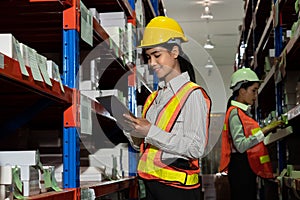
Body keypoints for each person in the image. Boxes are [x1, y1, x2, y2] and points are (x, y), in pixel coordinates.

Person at [122, 16, 211, 200]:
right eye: (148, 57)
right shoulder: (154, 98)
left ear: (175, 52)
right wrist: (134, 131)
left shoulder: (192, 94)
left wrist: (150, 131)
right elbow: (144, 144)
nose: (151, 63)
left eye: (157, 55)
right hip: (150, 186)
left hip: (178, 190)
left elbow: (195, 148)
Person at [219, 67, 283, 200]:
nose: (255, 96)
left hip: (244, 167)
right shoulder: (235, 113)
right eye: (253, 91)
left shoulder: (242, 113)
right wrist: (266, 130)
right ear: (242, 91)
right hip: (240, 168)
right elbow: (241, 145)